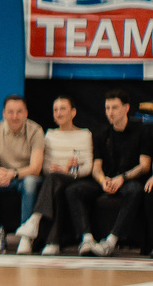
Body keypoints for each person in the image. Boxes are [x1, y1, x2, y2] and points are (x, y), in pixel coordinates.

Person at [64, 89, 150, 256]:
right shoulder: (101, 133)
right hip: (107, 180)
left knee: (135, 190)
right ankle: (87, 238)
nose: (110, 112)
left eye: (115, 108)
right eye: (107, 108)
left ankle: (111, 240)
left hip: (128, 180)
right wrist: (103, 180)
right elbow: (97, 167)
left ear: (126, 108)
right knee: (74, 190)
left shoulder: (142, 131)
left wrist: (122, 178)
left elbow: (144, 165)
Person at [15, 96, 94, 256]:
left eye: (63, 109)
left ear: (73, 112)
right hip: (57, 180)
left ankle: (35, 219)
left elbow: (88, 167)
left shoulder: (84, 134)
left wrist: (67, 170)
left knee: (54, 179)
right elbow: (45, 167)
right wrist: (53, 169)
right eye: (55, 110)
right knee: (56, 187)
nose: (58, 113)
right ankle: (53, 242)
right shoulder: (49, 135)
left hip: (77, 178)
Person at [0, 95, 44, 253]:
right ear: (4, 113)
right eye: (10, 112)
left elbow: (36, 168)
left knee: (31, 182)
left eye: (19, 112)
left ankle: (25, 238)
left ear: (26, 113)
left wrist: (14, 174)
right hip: (2, 178)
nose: (15, 116)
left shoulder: (36, 131)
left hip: (23, 177)